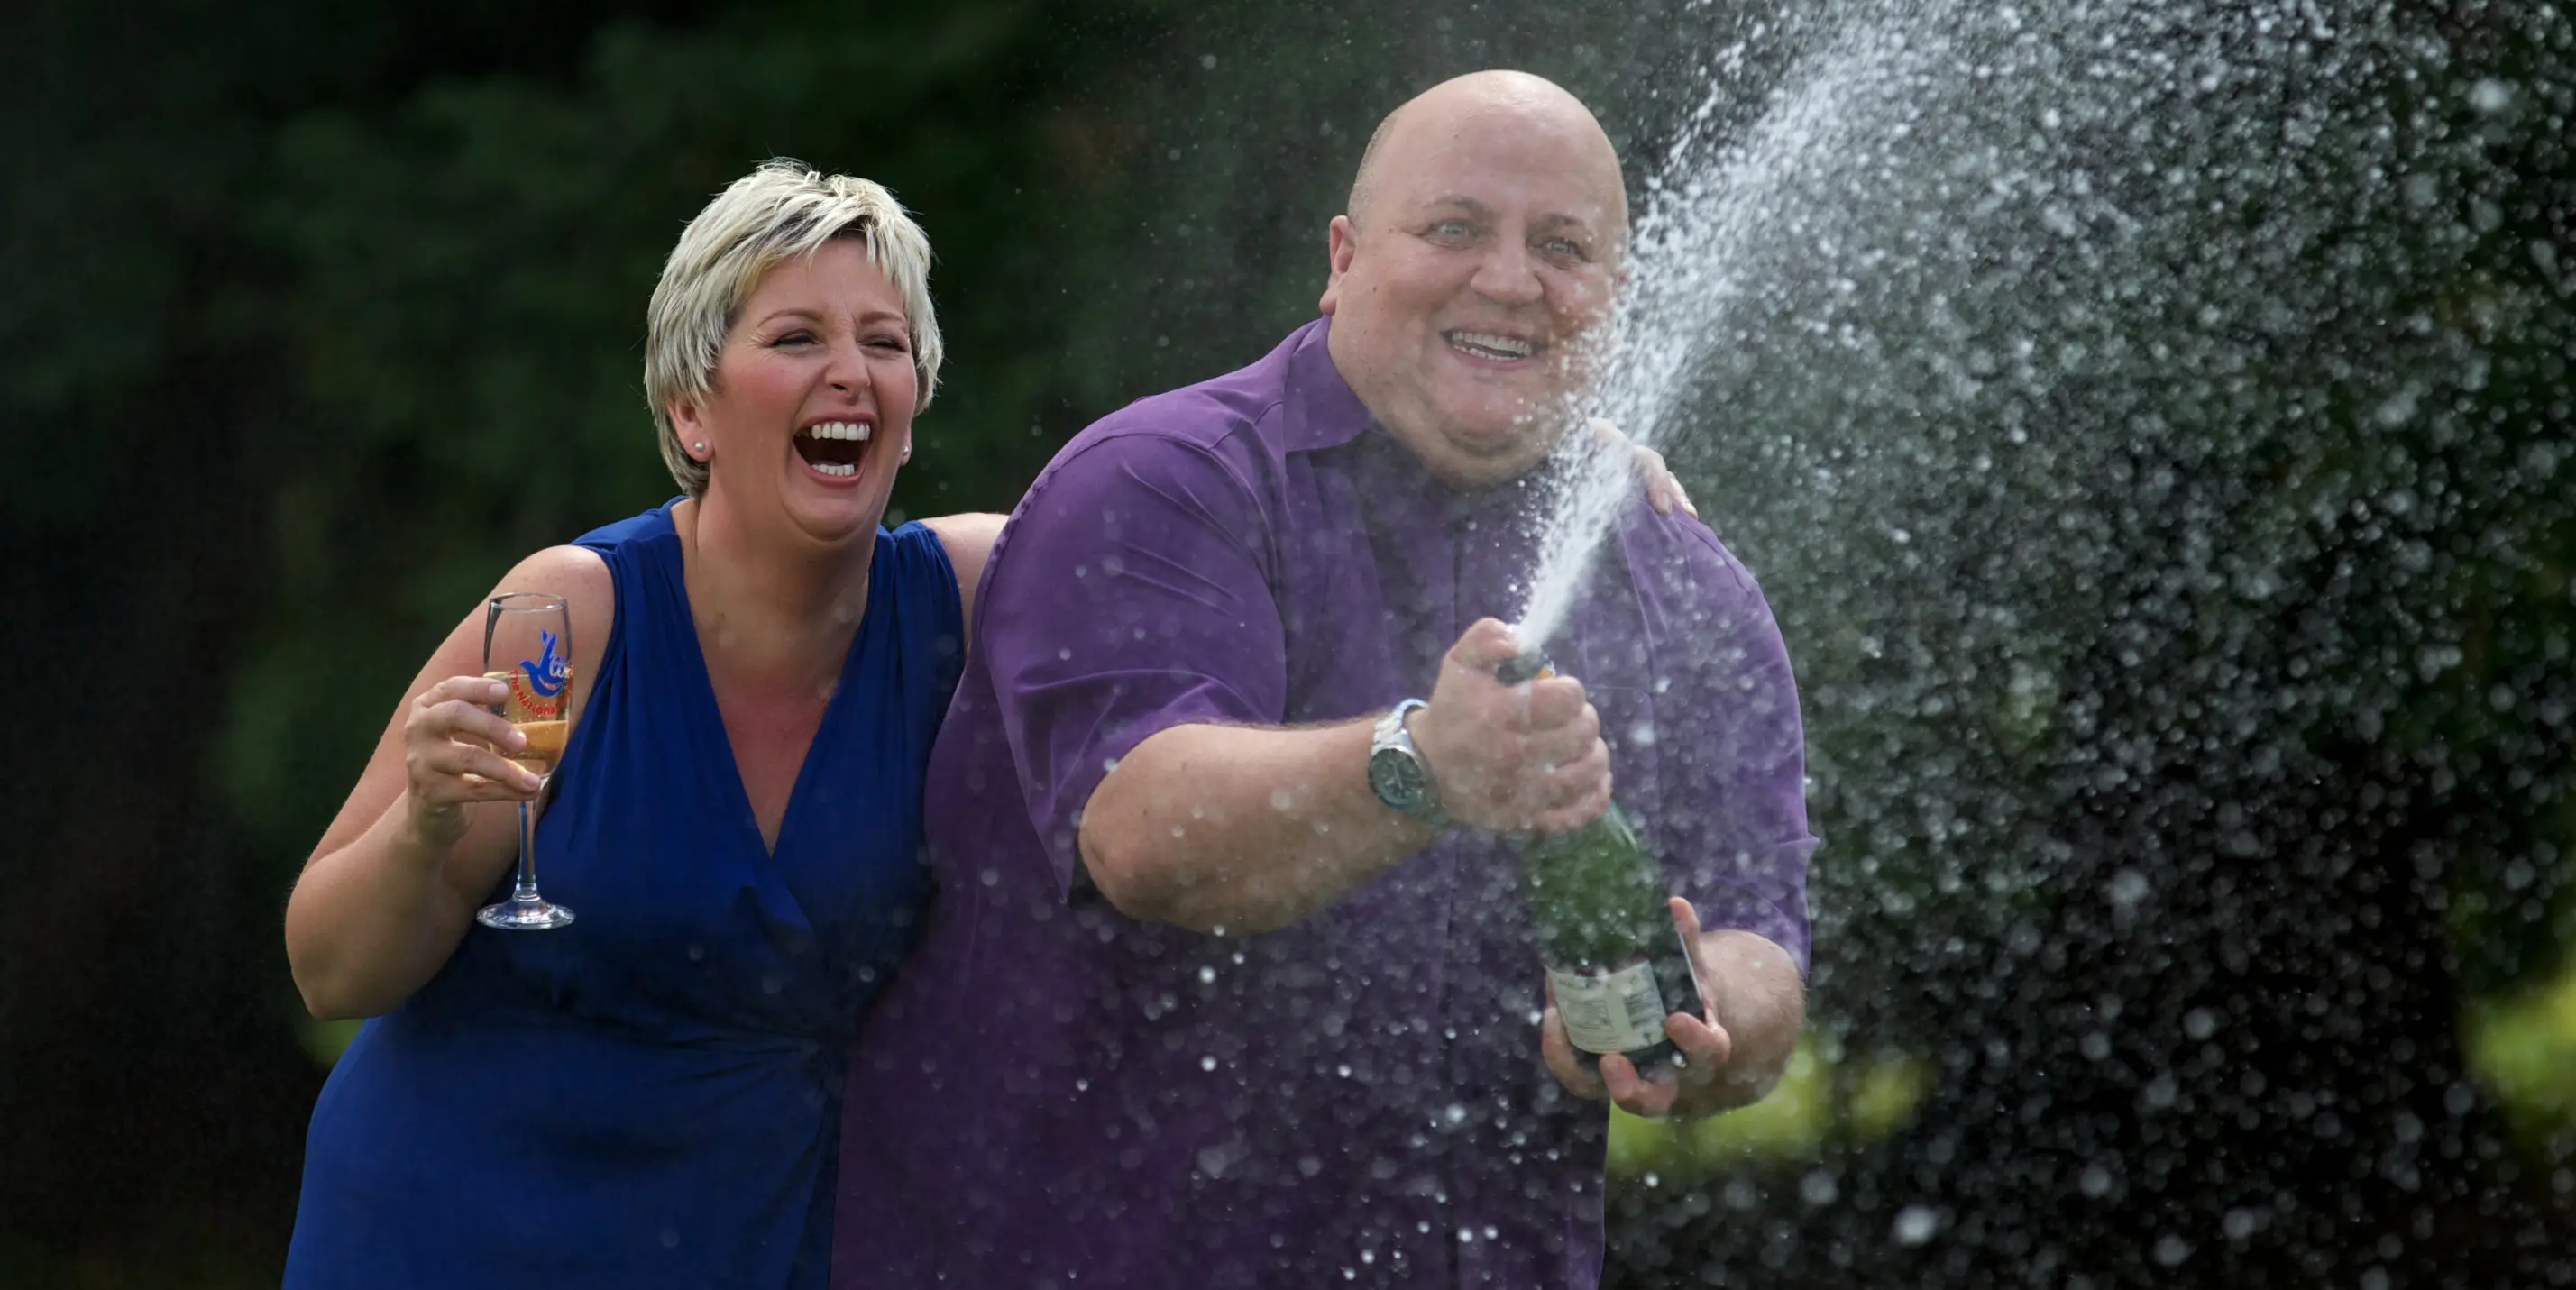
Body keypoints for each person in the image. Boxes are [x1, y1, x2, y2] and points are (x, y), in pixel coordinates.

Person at [834, 70, 1816, 1290]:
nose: (1510, 279)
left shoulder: (1685, 584)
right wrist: (1416, 762)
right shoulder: (1159, 486)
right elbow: (1140, 828)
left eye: (1562, 247)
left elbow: (1763, 940)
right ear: (1342, 257)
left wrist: (1702, 1009)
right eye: (1453, 227)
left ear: (1613, 298)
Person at [280, 161, 1005, 1290]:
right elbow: (329, 968)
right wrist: (425, 828)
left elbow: (1157, 561)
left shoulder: (964, 595)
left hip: (750, 1240)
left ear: (913, 413)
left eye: (885, 341)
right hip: (458, 1234)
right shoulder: (562, 619)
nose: (851, 372)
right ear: (691, 410)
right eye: (797, 337)